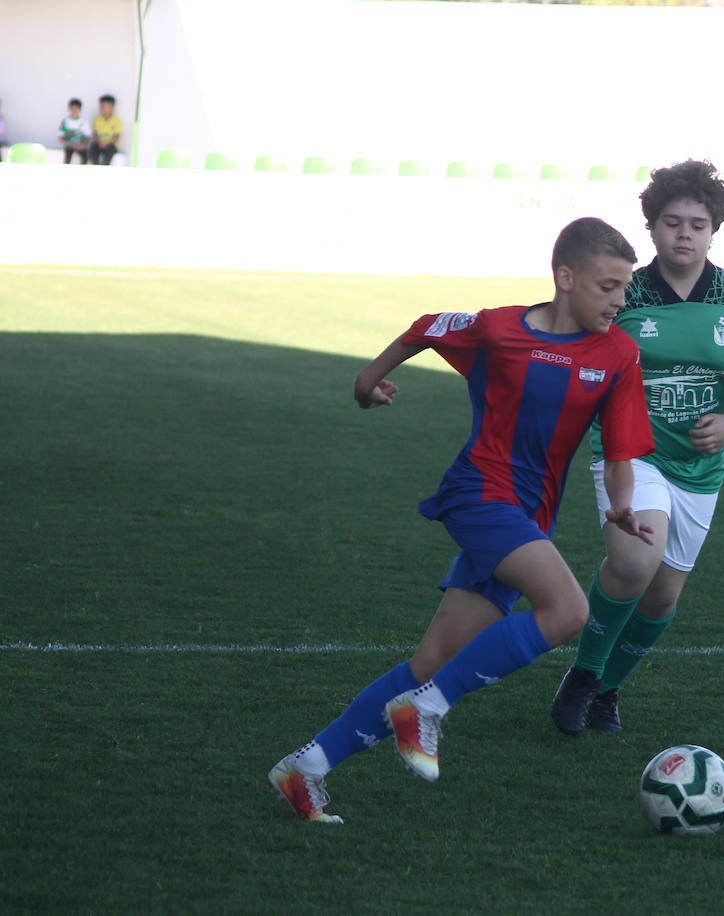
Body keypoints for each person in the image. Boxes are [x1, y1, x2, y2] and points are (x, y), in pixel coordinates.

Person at [268, 217, 655, 823]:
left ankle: (307, 768)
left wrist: (622, 502)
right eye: (608, 286)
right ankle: (428, 709)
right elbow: (426, 328)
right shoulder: (498, 328)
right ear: (565, 277)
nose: (620, 300)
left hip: (528, 519)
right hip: (479, 494)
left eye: (625, 288)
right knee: (569, 611)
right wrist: (367, 381)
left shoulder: (618, 354)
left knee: (429, 663)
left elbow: (622, 450)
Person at [549, 160, 724, 735]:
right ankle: (583, 675)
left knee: (660, 598)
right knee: (633, 562)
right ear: (651, 227)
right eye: (672, 222)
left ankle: (607, 689)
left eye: (697, 224)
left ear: (714, 230)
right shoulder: (624, 290)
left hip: (701, 465)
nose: (684, 233)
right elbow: (571, 346)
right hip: (631, 452)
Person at [89, 95, 122, 166]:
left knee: (108, 156)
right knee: (92, 149)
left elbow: (117, 137)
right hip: (99, 143)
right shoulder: (98, 119)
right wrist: (100, 142)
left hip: (111, 145)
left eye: (103, 106)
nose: (101, 109)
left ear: (111, 107)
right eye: (101, 106)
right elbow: (95, 134)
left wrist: (107, 142)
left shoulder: (116, 120)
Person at [58, 98, 90, 165]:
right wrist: (70, 144)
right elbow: (60, 138)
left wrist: (83, 145)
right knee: (67, 159)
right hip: (69, 146)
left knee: (85, 158)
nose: (74, 110)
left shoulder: (84, 122)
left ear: (80, 109)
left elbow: (88, 137)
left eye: (77, 108)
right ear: (69, 108)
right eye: (73, 108)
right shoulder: (65, 122)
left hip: (81, 146)